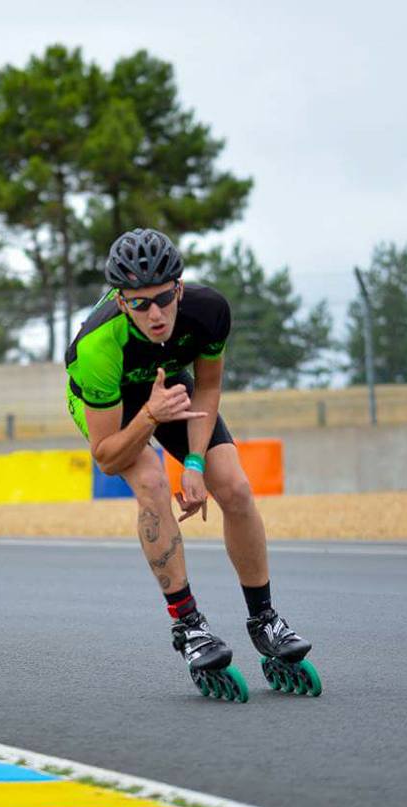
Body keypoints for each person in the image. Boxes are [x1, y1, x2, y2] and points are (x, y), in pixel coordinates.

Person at [65, 227, 311, 677]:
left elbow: (210, 385)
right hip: (115, 404)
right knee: (153, 482)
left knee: (234, 487)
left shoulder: (208, 310)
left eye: (163, 298)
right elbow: (108, 457)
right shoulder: (96, 347)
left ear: (179, 288)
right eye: (139, 303)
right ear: (121, 302)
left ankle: (265, 619)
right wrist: (151, 417)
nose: (154, 313)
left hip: (169, 384)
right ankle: (189, 626)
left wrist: (195, 464)